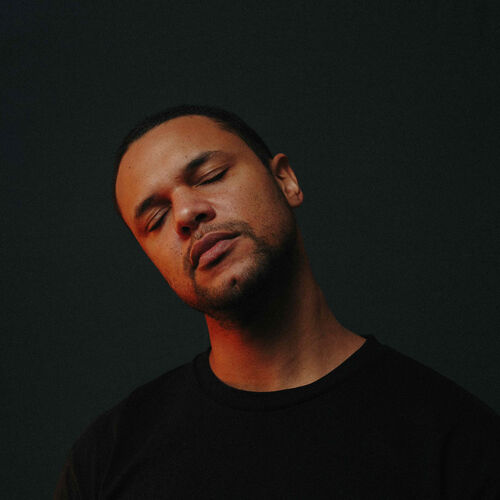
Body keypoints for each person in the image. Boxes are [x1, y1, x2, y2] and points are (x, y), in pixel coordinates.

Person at [55, 105, 499, 499]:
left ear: (285, 181)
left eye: (210, 176)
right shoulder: (105, 458)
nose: (187, 213)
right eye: (156, 218)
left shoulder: (459, 441)